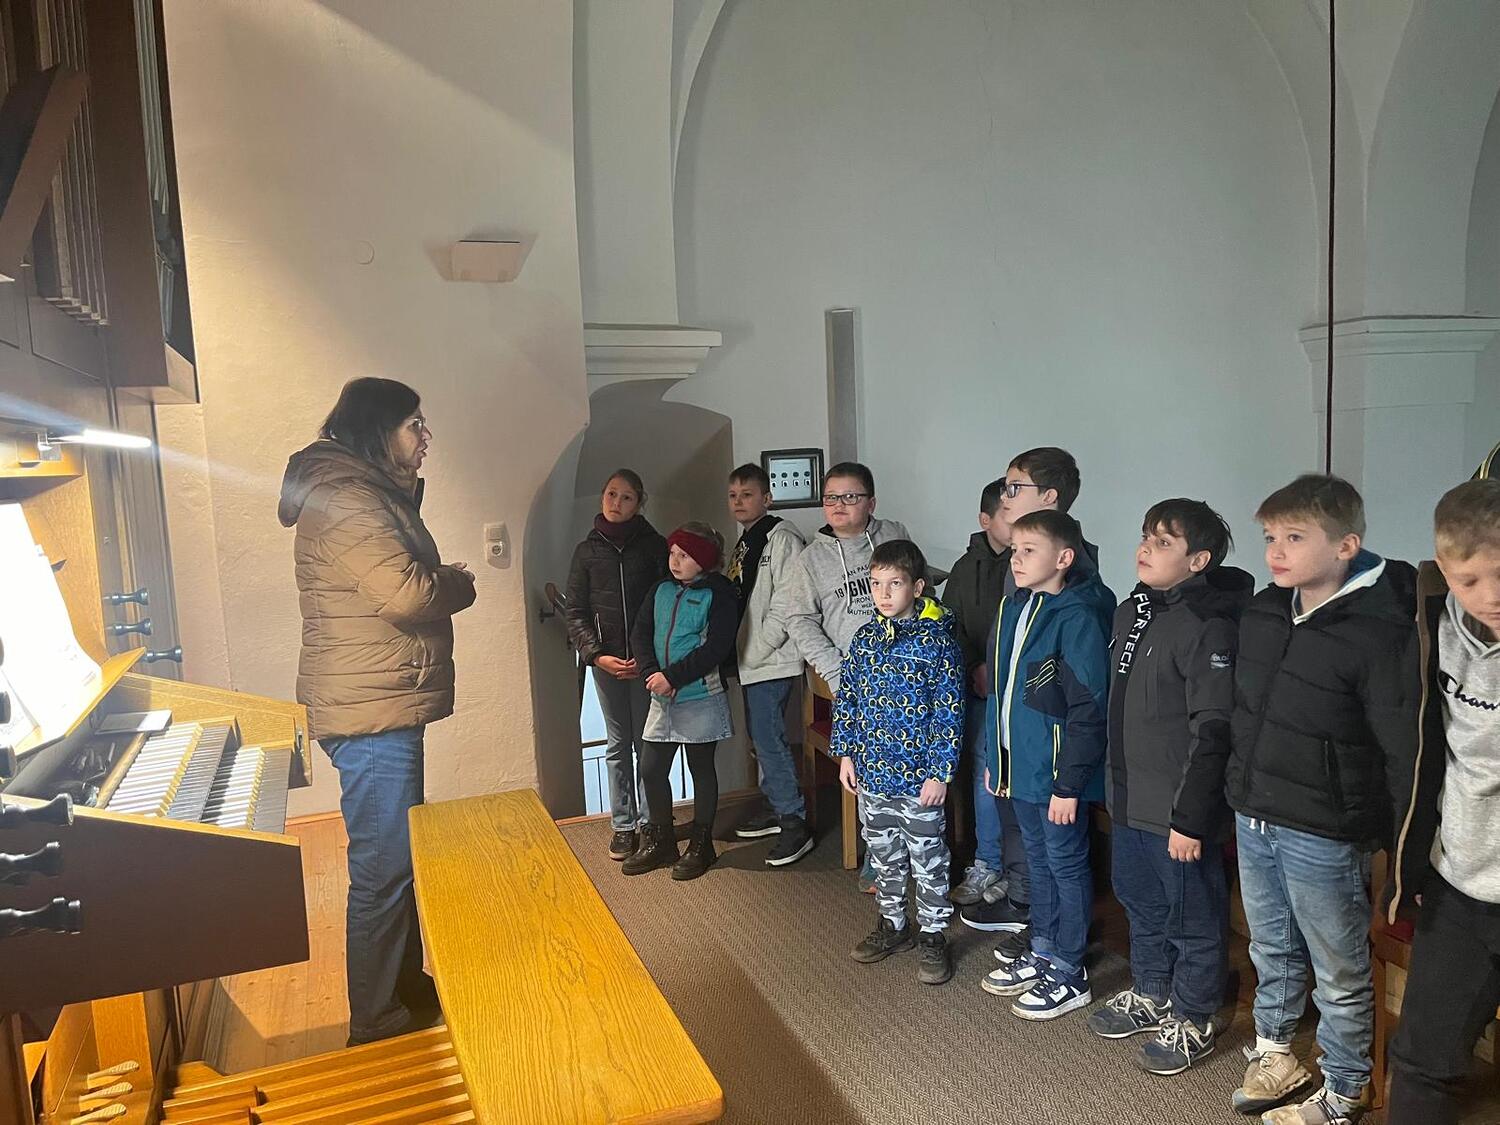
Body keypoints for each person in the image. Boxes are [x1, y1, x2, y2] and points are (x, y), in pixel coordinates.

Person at [278, 377, 477, 1046]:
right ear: (376, 429)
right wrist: (460, 581)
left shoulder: (356, 490)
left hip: (377, 700)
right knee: (383, 868)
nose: (426, 437)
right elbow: (408, 593)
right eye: (414, 424)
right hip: (370, 711)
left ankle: (403, 988)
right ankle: (376, 1023)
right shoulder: (348, 497)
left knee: (395, 860)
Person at [1224, 474, 1418, 1125]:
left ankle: (1345, 1086)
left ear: (1345, 545)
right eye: (1269, 537)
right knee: (1270, 945)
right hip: (1255, 810)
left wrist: (1403, 853)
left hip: (1325, 828)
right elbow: (1243, 713)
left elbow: (1402, 746)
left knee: (1338, 965)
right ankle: (1276, 1052)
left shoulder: (1379, 628)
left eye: (1294, 537)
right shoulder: (1264, 610)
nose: (1276, 551)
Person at [1087, 499, 1251, 1076]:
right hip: (1129, 796)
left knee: (1192, 916)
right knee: (1140, 901)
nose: (1145, 548)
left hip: (1178, 810)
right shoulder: (1130, 611)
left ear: (1197, 560)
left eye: (1163, 542)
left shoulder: (1208, 625)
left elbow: (1213, 728)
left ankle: (1195, 1013)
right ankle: (1153, 990)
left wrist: (1192, 817)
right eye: (1145, 536)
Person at [1387, 477, 1500, 1124]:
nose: (1491, 595)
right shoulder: (1430, 616)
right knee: (1421, 1062)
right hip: (1460, 883)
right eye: (1469, 579)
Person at [979, 508, 1114, 1021]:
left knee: (1065, 863)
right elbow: (1002, 693)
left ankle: (1069, 967)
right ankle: (1043, 945)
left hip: (1056, 775)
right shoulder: (1015, 605)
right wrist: (997, 758)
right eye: (1014, 549)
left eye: (1029, 551)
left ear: (1063, 558)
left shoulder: (1078, 615)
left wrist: (1069, 784)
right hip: (1019, 767)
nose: (1016, 559)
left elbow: (1088, 706)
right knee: (1037, 860)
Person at [961, 448, 1088, 942]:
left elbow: (1072, 687)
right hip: (1011, 731)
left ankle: (1057, 943)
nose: (1006, 495)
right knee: (1027, 838)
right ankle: (1034, 921)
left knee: (1057, 855)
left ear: (1050, 497)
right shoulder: (1017, 574)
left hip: (1045, 747)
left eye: (1015, 487)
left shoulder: (1076, 586)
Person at [834, 539, 964, 985]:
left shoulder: (938, 643)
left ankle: (933, 934)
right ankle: (893, 925)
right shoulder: (865, 639)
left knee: (928, 858)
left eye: (895, 584)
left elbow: (949, 713)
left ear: (917, 587)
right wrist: (846, 753)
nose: (884, 593)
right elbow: (848, 700)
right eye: (876, 584)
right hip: (872, 774)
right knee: (884, 855)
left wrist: (940, 773)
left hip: (919, 779)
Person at [783, 461, 914, 891]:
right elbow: (800, 621)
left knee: (919, 751)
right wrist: (837, 672)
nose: (839, 505)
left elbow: (918, 589)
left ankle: (919, 842)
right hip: (853, 677)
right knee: (870, 762)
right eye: (831, 498)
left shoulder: (894, 534)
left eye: (850, 496)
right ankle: (879, 851)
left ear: (871, 502)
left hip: (907, 667)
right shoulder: (810, 559)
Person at [622, 521, 739, 881]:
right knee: (651, 768)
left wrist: (673, 677)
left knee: (700, 769)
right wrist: (652, 674)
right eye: (673, 553)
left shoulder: (719, 594)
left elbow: (716, 647)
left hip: (700, 696)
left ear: (703, 559)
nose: (675, 561)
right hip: (662, 697)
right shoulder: (660, 590)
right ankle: (662, 840)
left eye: (684, 555)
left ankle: (702, 845)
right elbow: (641, 634)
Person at [565, 470, 668, 862]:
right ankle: (623, 825)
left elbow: (666, 602)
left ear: (639, 503)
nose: (616, 503)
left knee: (647, 742)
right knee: (617, 743)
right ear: (602, 497)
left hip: (646, 664)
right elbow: (575, 611)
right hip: (607, 663)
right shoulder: (586, 552)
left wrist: (649, 658)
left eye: (626, 497)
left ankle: (651, 821)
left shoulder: (655, 546)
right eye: (611, 494)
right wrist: (596, 655)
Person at [725, 463, 814, 866]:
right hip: (749, 658)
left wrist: (760, 646)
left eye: (747, 494)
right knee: (760, 738)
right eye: (733, 495)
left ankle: (794, 821)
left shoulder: (782, 538)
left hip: (770, 659)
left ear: (767, 498)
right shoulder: (746, 541)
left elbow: (788, 600)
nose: (739, 502)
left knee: (770, 738)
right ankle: (777, 806)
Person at [944, 478, 1025, 912]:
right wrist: (975, 665)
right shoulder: (964, 568)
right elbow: (952, 624)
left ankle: (1017, 870)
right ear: (986, 520)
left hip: (1019, 688)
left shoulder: (1028, 561)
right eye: (1008, 516)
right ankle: (987, 861)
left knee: (1015, 778)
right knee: (984, 774)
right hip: (978, 686)